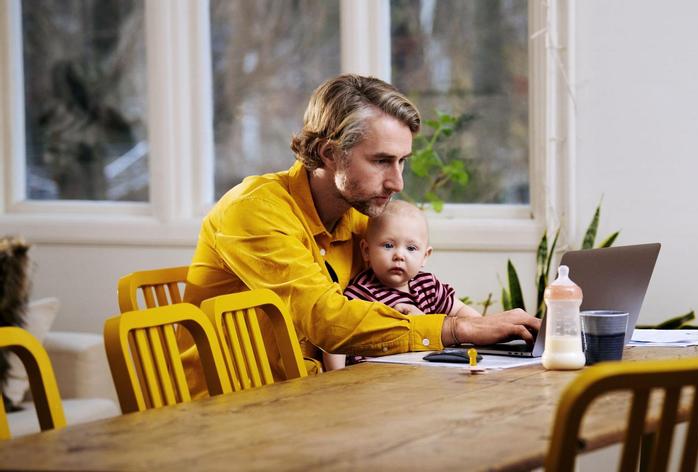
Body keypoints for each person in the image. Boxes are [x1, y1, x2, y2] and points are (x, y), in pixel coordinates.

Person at [181, 74, 539, 396]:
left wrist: (481, 323)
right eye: (382, 161)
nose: (397, 182)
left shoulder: (358, 215)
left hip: (315, 396)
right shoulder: (254, 210)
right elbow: (327, 319)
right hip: (231, 407)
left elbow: (389, 296)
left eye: (402, 162)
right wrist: (458, 330)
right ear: (330, 153)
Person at [324, 200, 481, 370]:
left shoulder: (428, 286)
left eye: (411, 248)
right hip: (373, 378)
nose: (399, 255)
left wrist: (478, 330)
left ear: (425, 256)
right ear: (366, 251)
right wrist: (338, 378)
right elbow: (335, 338)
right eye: (388, 245)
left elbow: (469, 318)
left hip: (425, 375)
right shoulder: (361, 295)